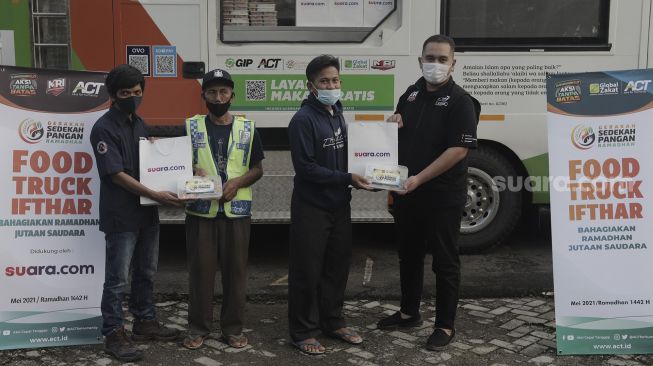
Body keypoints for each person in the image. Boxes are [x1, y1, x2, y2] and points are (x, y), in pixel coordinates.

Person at [377, 35, 480, 351]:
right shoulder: (410, 94)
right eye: (429, 58)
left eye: (441, 59)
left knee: (445, 262)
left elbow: (458, 150)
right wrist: (393, 122)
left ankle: (445, 326)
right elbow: (400, 134)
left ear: (453, 63)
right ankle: (409, 312)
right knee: (408, 255)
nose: (434, 64)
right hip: (408, 192)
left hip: (442, 196)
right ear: (420, 60)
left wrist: (420, 178)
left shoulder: (462, 101)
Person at [90, 64, 182, 362]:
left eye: (138, 92)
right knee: (117, 279)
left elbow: (149, 166)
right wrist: (155, 194)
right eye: (126, 92)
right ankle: (114, 333)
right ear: (113, 95)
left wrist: (159, 156)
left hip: (145, 214)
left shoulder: (140, 124)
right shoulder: (103, 128)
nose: (133, 96)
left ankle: (145, 322)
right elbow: (115, 174)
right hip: (121, 216)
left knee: (146, 272)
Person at [287, 54, 371, 355]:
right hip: (312, 206)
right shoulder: (302, 120)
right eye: (324, 81)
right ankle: (302, 331)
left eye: (335, 80)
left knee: (337, 267)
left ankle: (333, 321)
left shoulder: (337, 111)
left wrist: (374, 167)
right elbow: (306, 169)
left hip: (339, 204)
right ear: (311, 85)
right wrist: (348, 177)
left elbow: (351, 152)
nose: (331, 85)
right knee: (307, 270)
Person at [182, 69, 264, 350]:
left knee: (236, 274)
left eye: (224, 92)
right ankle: (197, 328)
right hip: (201, 212)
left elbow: (257, 169)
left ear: (232, 95)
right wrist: (191, 168)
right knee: (200, 274)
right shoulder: (191, 127)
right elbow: (176, 164)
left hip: (236, 211)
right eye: (212, 92)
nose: (219, 97)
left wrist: (237, 182)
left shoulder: (247, 128)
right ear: (203, 95)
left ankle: (232, 329)